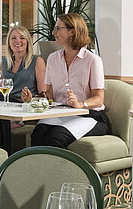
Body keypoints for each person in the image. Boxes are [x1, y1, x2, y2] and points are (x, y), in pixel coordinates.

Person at [26, 13, 109, 148]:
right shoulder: (53, 59)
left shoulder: (92, 60)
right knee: (37, 135)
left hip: (89, 116)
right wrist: (34, 99)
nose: (53, 32)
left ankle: (60, 170)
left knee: (55, 137)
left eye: (58, 29)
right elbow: (50, 94)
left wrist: (80, 104)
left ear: (72, 31)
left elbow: (99, 98)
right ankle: (38, 169)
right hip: (61, 113)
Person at [0, 25, 47, 145]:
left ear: (28, 41)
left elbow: (43, 95)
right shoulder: (4, 63)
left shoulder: (37, 61)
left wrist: (31, 99)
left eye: (22, 38)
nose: (18, 42)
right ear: (9, 42)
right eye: (13, 38)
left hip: (21, 109)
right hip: (3, 106)